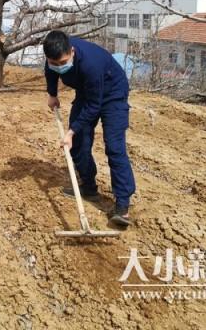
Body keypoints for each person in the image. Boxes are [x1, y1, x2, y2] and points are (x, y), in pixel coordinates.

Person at [43, 30, 136, 227]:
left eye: (63, 62)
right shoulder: (53, 56)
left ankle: (122, 206)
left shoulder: (90, 64)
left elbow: (94, 106)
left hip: (113, 93)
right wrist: (52, 93)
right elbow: (50, 71)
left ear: (72, 52)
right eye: (55, 63)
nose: (60, 67)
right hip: (87, 92)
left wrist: (70, 131)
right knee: (78, 145)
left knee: (114, 146)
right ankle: (89, 188)